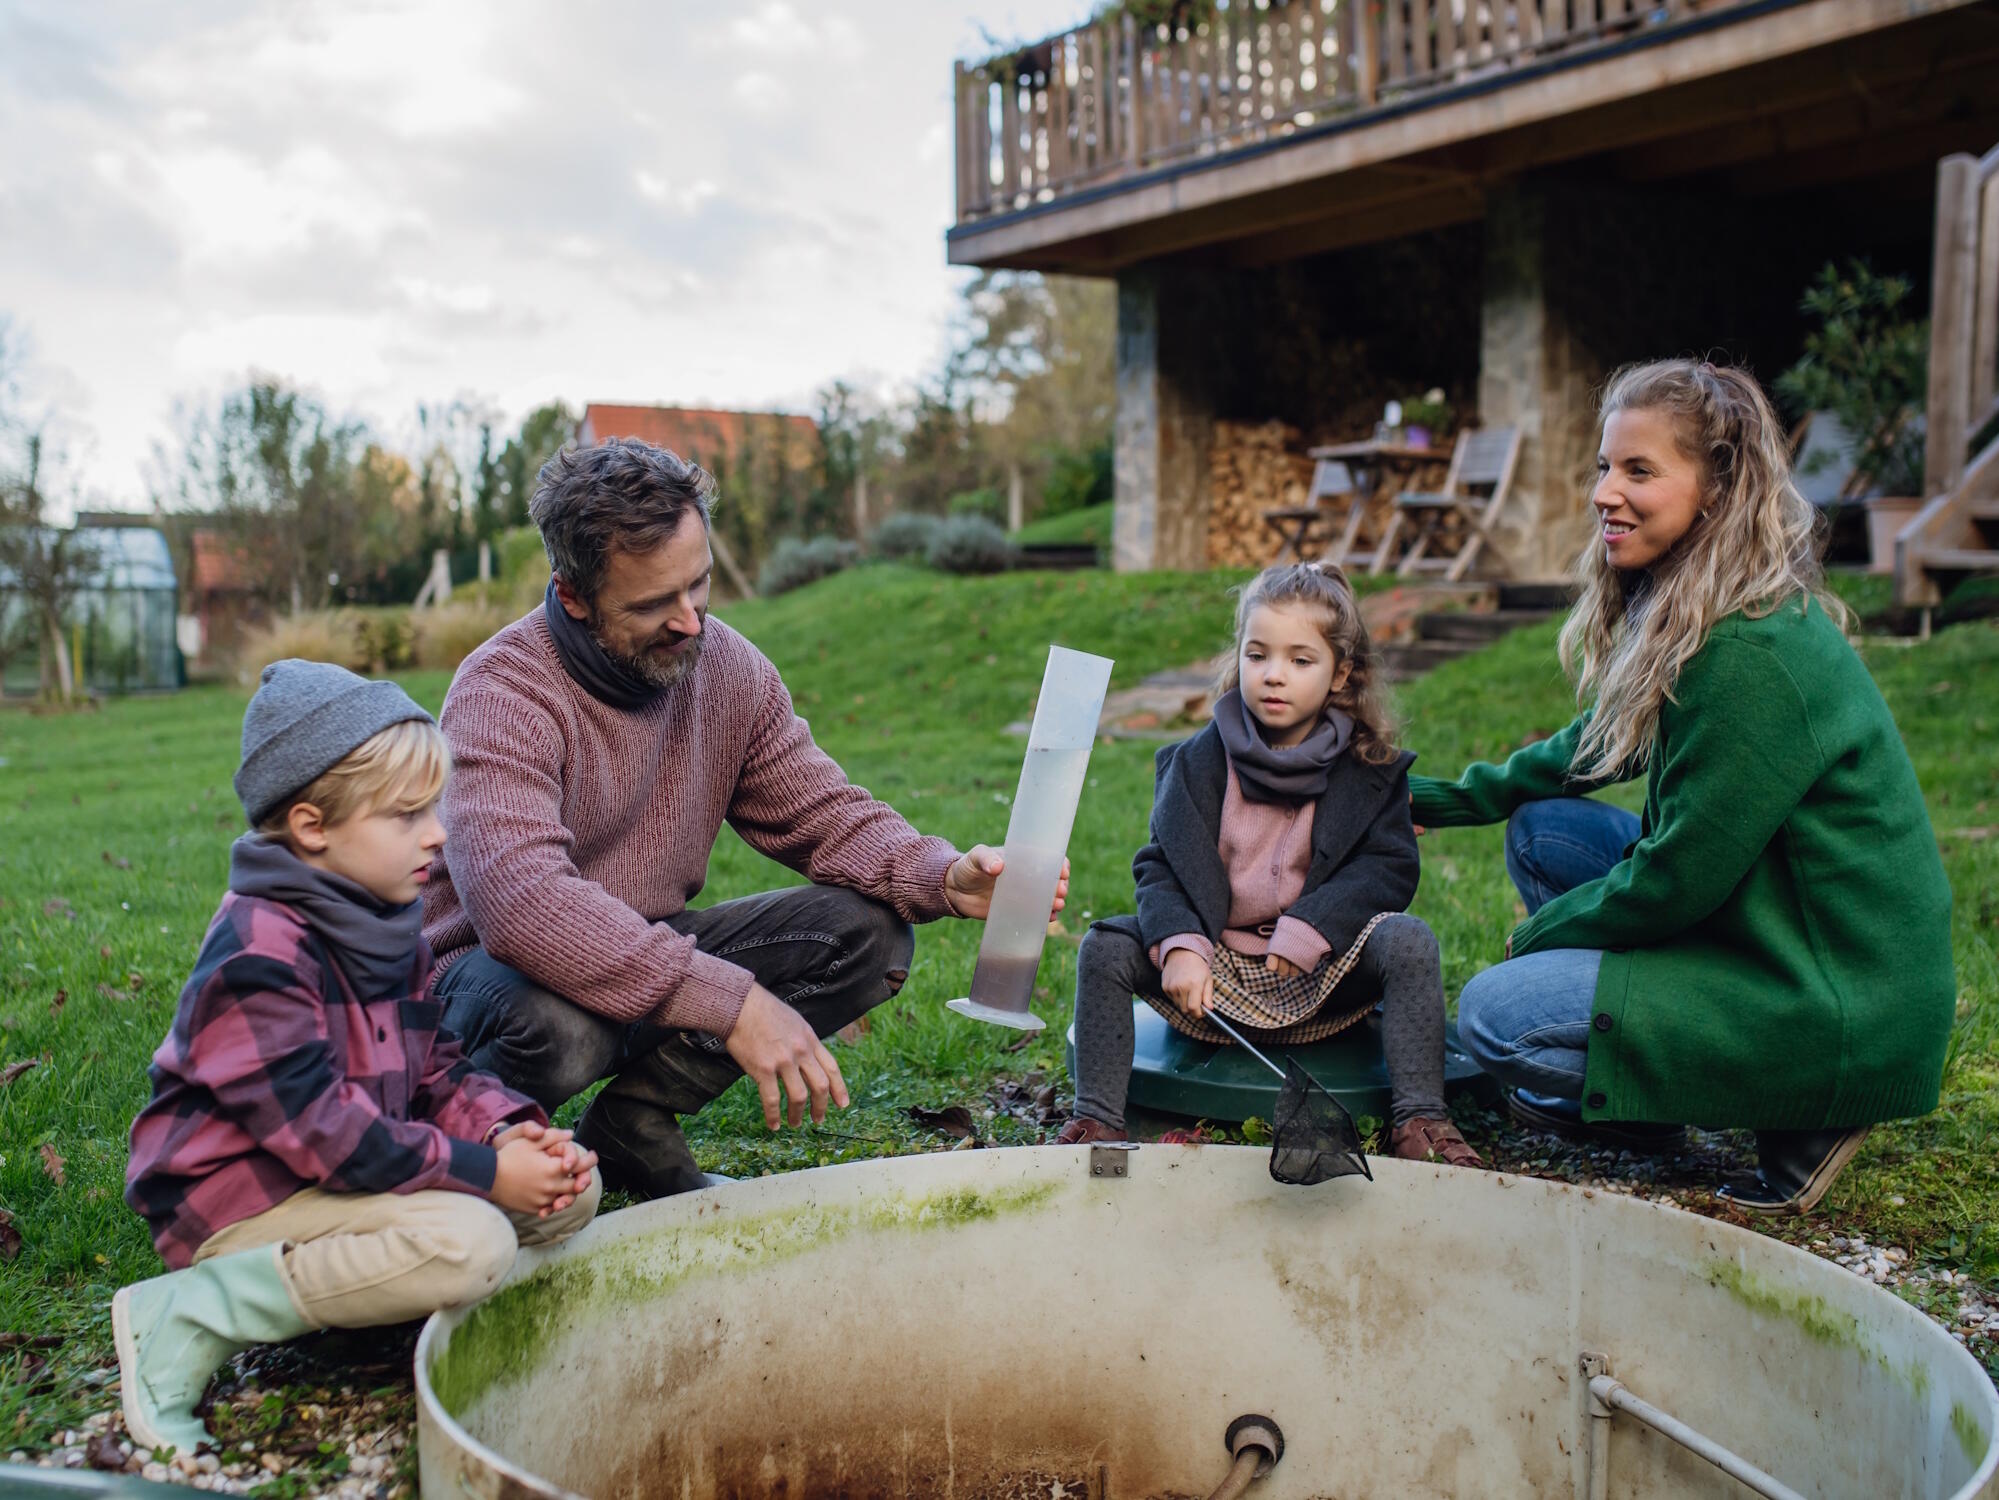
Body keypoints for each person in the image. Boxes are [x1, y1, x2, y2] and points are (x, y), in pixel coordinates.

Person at [423, 439, 1060, 1199]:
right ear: (574, 597)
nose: (690, 621)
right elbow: (525, 909)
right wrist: (732, 1004)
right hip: (488, 984)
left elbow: (822, 814)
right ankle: (476, 1160)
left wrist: (942, 876)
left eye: (699, 585)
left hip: (645, 953)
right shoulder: (502, 693)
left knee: (867, 935)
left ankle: (633, 1124)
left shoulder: (726, 668)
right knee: (563, 1022)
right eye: (654, 604)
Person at [1414, 359, 1955, 1214]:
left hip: (1834, 993)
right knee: (1546, 833)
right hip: (1769, 928)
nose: (1604, 492)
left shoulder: (1750, 653)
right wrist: (1432, 802)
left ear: (1716, 489)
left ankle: (1808, 1117)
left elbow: (1673, 883)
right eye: (1602, 466)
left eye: (1638, 470)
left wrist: (1537, 939)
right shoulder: (1702, 607)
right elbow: (1598, 744)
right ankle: (1638, 1110)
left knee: (1492, 1013)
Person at [118, 662, 597, 1454]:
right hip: (250, 1204)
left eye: (432, 807)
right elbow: (330, 1134)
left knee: (572, 1190)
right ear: (312, 826)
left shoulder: (382, 915)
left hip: (348, 1177)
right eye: (407, 815)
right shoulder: (258, 952)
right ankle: (187, 1314)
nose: (436, 833)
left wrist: (508, 1133)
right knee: (471, 1240)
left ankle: (416, 1316)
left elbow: (433, 1065)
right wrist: (481, 1175)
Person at [1062, 563, 1481, 1167]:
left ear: (1341, 674)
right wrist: (1181, 944)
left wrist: (1314, 926)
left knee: (1409, 942)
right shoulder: (1197, 763)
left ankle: (1420, 1120)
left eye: (1300, 660)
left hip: (1319, 969)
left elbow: (1388, 867)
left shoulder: (1370, 770)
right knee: (1104, 947)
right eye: (1257, 655)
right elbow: (1160, 864)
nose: (1274, 675)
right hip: (1215, 970)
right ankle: (1096, 1120)